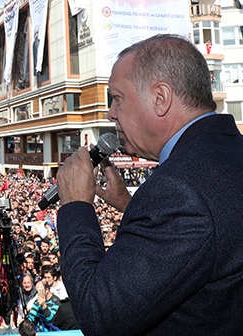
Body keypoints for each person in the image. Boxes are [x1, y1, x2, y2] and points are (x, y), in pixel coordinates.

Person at [56, 34, 243, 334]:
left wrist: (76, 206)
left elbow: (98, 313)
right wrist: (131, 205)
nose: (110, 113)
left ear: (160, 98)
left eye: (117, 98)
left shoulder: (180, 191)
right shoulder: (227, 155)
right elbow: (206, 236)